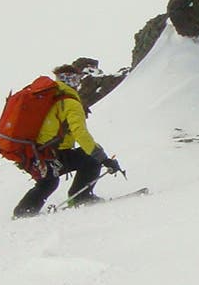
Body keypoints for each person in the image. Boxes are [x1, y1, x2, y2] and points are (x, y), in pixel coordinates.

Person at [12, 77, 124, 218]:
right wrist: (104, 159)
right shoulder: (70, 103)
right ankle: (80, 198)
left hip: (31, 154)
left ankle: (23, 212)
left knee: (49, 181)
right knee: (89, 158)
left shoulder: (46, 99)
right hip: (50, 154)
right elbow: (80, 133)